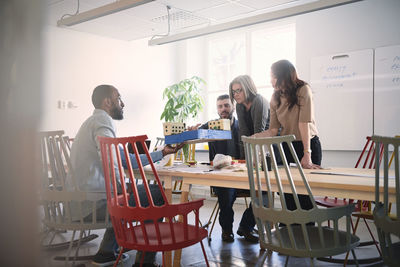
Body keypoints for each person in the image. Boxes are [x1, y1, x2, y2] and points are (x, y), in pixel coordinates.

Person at [68, 84, 182, 267]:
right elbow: (110, 161)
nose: (122, 104)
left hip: (81, 203)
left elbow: (128, 159)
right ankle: (145, 261)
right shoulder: (103, 123)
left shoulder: (93, 122)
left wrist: (163, 152)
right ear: (107, 102)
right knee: (158, 193)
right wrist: (123, 189)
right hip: (91, 205)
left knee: (140, 193)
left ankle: (106, 253)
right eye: (119, 98)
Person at [253, 59, 322, 212]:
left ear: (283, 76)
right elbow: (273, 131)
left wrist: (307, 154)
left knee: (305, 195)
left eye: (273, 76)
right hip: (287, 147)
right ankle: (289, 229)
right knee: (287, 193)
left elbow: (303, 123)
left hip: (307, 144)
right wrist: (253, 138)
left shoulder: (303, 90)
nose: (270, 80)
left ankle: (306, 232)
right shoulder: (275, 97)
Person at [189, 94, 258, 243]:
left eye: (226, 105)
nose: (223, 109)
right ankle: (227, 231)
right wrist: (192, 130)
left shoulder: (242, 126)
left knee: (264, 194)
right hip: (221, 177)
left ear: (233, 106)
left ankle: (246, 226)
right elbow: (195, 135)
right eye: (220, 106)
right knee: (226, 195)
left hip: (244, 175)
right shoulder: (211, 125)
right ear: (217, 109)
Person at [229, 75, 270, 159]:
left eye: (238, 90)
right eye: (233, 92)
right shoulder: (239, 106)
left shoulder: (258, 101)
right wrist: (243, 159)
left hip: (270, 144)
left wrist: (251, 159)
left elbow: (258, 132)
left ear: (247, 88)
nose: (235, 95)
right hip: (255, 143)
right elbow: (243, 133)